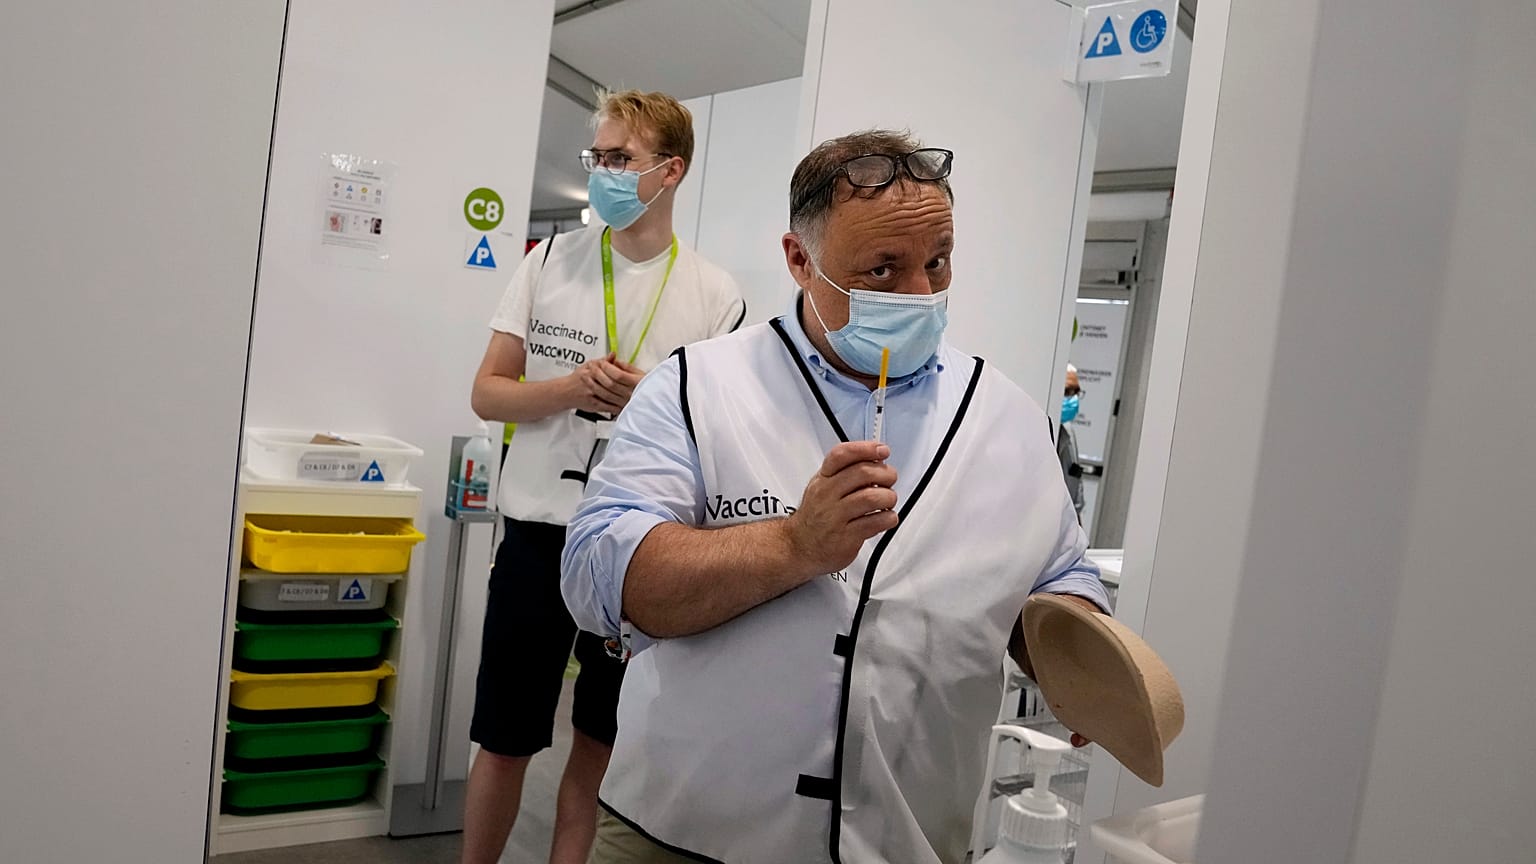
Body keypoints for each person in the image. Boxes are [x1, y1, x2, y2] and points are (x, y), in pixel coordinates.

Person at [562, 130, 1110, 864]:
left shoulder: (1009, 420)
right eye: (882, 271)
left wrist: (1080, 654)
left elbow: (1058, 575)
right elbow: (599, 579)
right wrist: (791, 546)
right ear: (799, 259)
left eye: (937, 263)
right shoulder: (698, 387)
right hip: (682, 834)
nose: (920, 294)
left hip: (909, 838)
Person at [465, 89, 746, 864]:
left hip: (637, 548)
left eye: (621, 158)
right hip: (535, 538)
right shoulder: (550, 261)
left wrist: (647, 392)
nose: (603, 173)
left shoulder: (715, 296)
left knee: (598, 745)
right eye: (599, 157)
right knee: (504, 740)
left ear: (670, 170)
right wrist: (568, 388)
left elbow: (715, 440)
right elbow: (487, 391)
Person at [1058, 364, 1086, 518]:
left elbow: (1076, 500)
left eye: (1076, 392)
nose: (1073, 399)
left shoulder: (1068, 432)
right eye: (1067, 392)